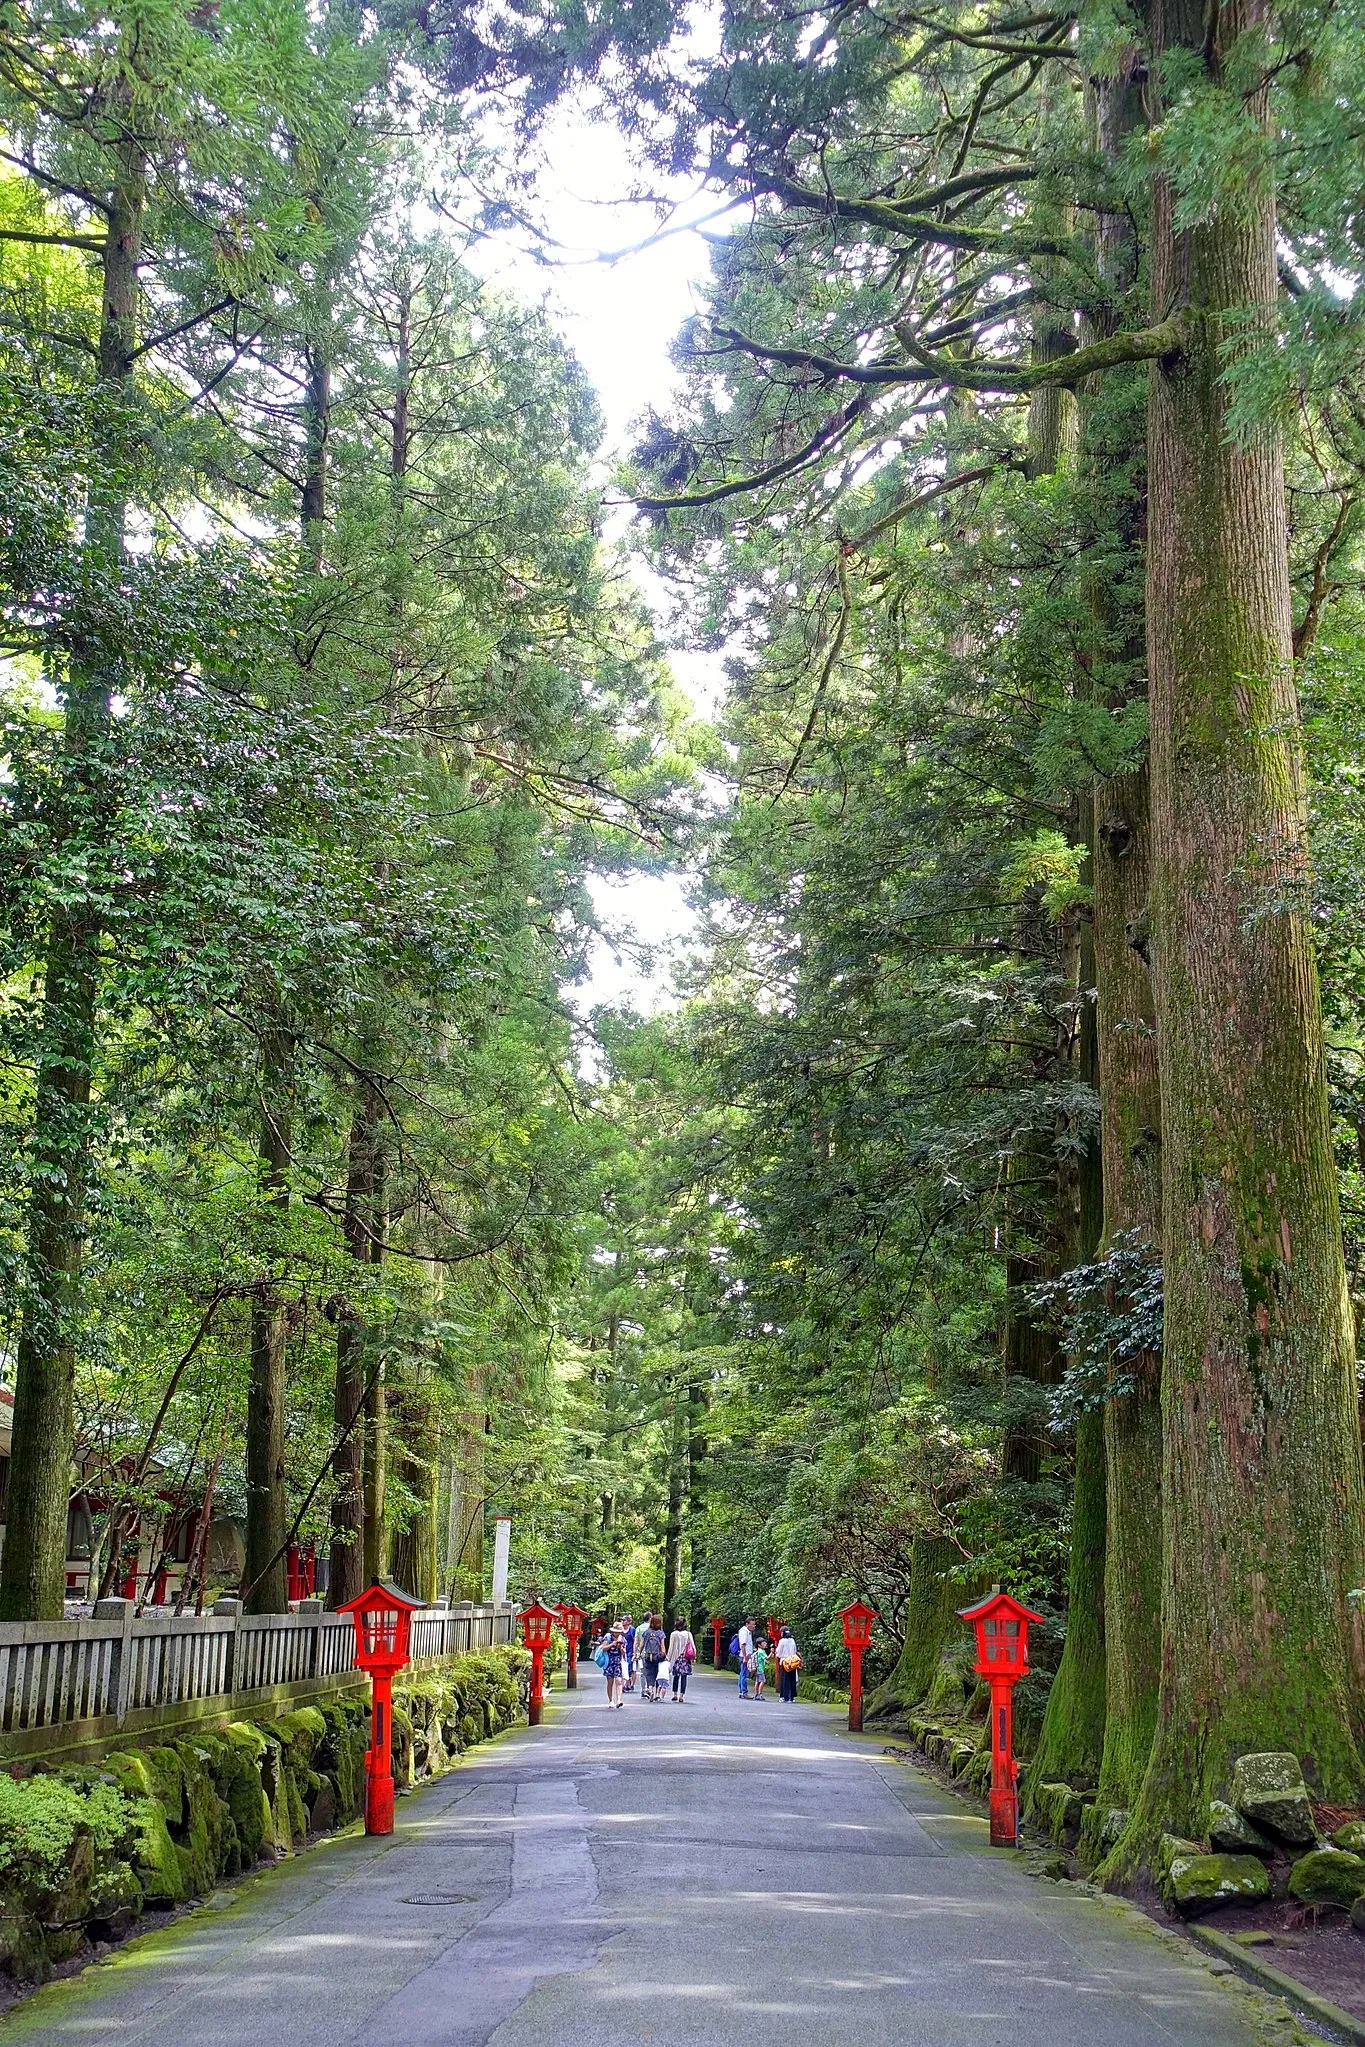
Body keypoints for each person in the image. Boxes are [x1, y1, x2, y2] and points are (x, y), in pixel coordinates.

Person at [666, 1617, 695, 1701]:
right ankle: (681, 1695)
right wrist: (694, 1657)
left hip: (676, 1658)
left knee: (676, 1676)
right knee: (684, 1677)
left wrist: (668, 1658)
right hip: (685, 1658)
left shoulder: (674, 1634)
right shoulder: (688, 1634)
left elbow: (671, 1647)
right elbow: (692, 1646)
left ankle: (675, 1694)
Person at [602, 1622, 627, 1708]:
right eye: (616, 1631)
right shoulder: (608, 1637)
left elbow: (624, 1653)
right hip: (609, 1662)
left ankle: (619, 1700)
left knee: (619, 1681)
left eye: (619, 1632)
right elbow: (604, 1648)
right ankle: (611, 1700)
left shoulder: (622, 1639)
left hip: (618, 1662)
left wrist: (621, 1648)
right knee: (610, 1682)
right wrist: (612, 1644)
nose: (617, 1633)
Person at [639, 1614, 665, 1700]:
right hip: (657, 1656)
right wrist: (664, 1655)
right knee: (657, 1673)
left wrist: (638, 1653)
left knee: (649, 1673)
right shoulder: (661, 1633)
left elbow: (642, 1644)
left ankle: (650, 1689)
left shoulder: (647, 1632)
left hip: (648, 1656)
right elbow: (662, 1646)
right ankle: (657, 1693)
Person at [775, 1625, 801, 1703]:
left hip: (784, 1661)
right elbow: (795, 1650)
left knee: (784, 1679)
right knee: (792, 1679)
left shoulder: (782, 1641)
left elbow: (779, 1653)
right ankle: (791, 1697)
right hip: (793, 1661)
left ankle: (784, 1696)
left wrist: (777, 1654)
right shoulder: (792, 1640)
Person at [737, 1617, 755, 1698]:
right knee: (744, 1674)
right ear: (747, 1624)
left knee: (742, 1673)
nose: (754, 1626)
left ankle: (742, 1691)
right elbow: (743, 1645)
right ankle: (744, 1692)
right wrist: (745, 1657)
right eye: (752, 1624)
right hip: (745, 1655)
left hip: (746, 1655)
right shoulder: (744, 1632)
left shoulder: (747, 1631)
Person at [622, 1614, 637, 1692]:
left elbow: (635, 1640)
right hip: (622, 1650)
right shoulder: (620, 1630)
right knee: (623, 1667)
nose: (622, 1622)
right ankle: (625, 1684)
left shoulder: (632, 1629)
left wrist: (635, 1651)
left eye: (624, 1620)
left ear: (628, 1622)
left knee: (629, 1667)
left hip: (630, 1651)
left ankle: (629, 1684)